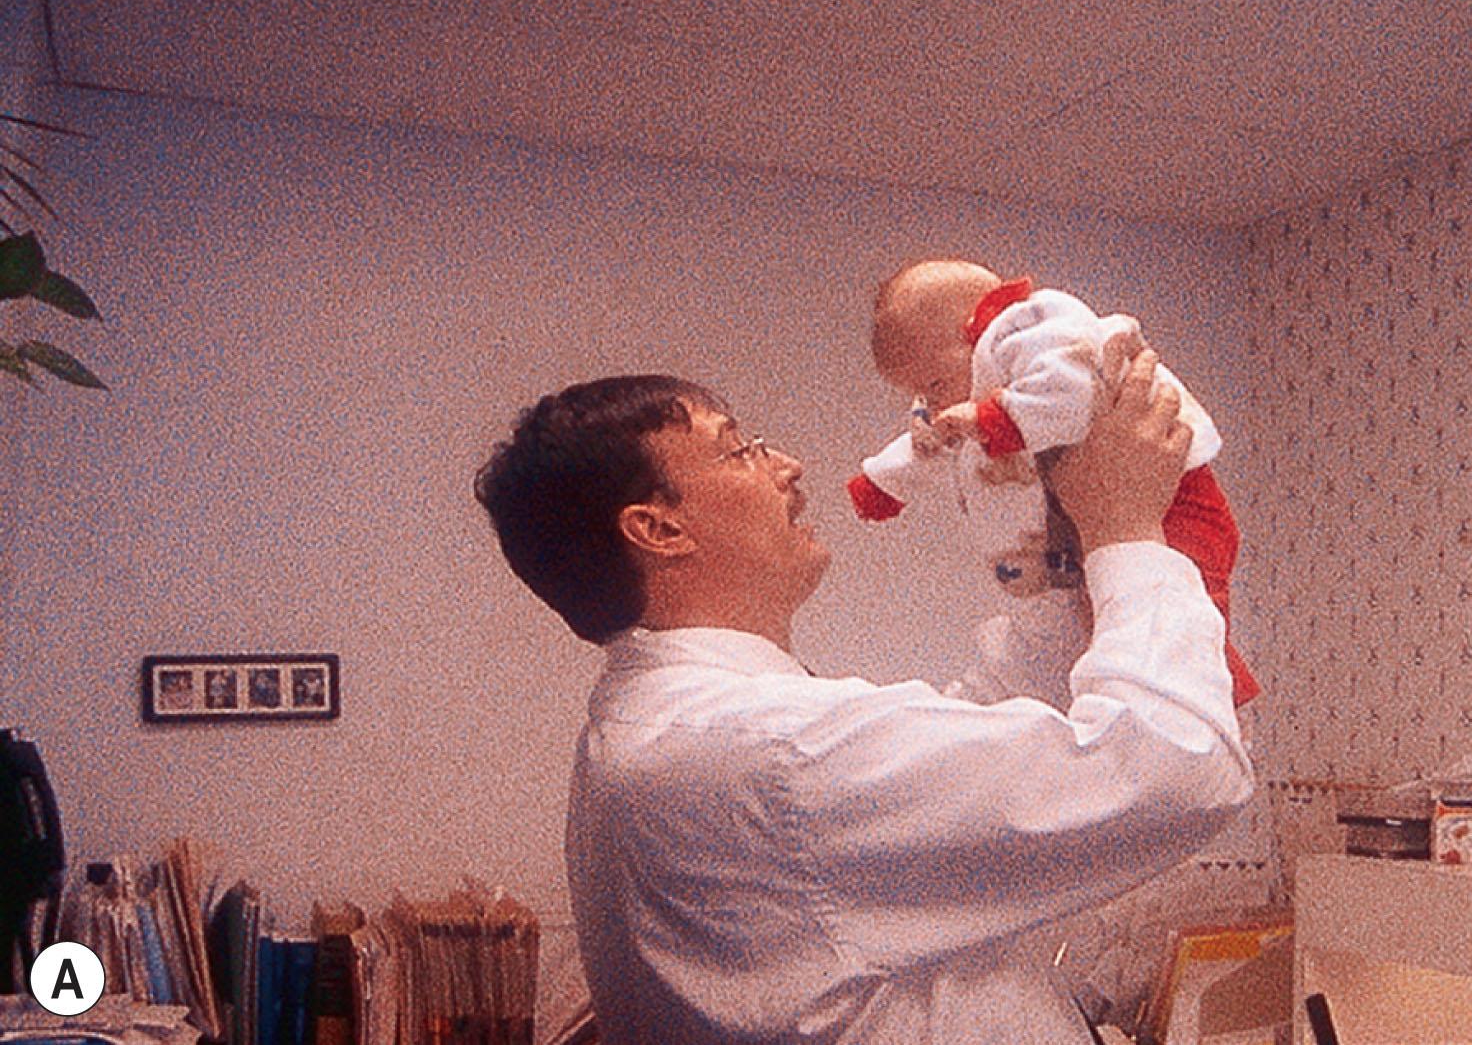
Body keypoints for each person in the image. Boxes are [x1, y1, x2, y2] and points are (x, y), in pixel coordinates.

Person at [473, 350, 1254, 1043]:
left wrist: (1070, 564)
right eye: (739, 449)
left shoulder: (673, 728)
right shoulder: (763, 747)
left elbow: (981, 736)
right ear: (659, 529)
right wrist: (1125, 527)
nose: (788, 464)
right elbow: (1174, 766)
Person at [849, 258, 1259, 707]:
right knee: (1095, 625)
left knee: (1183, 608)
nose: (931, 401)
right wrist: (882, 483)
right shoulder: (966, 391)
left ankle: (1215, 693)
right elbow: (930, 442)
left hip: (1176, 499)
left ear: (980, 321)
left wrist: (992, 419)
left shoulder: (1039, 326)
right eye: (920, 392)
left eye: (935, 382)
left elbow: (1070, 391)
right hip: (1082, 531)